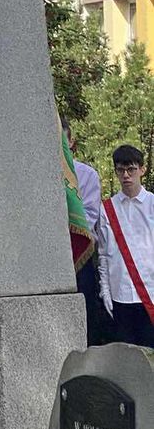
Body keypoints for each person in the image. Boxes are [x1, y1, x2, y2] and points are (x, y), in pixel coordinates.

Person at [97, 144, 154, 348]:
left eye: (131, 169)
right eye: (121, 170)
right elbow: (104, 254)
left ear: (142, 170)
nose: (126, 175)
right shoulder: (107, 209)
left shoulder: (152, 204)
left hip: (150, 295)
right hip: (120, 295)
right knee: (126, 357)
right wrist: (105, 290)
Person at [61, 118, 113, 346]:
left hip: (78, 252)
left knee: (86, 321)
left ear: (71, 142)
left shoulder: (86, 174)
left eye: (62, 141)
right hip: (49, 256)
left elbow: (90, 216)